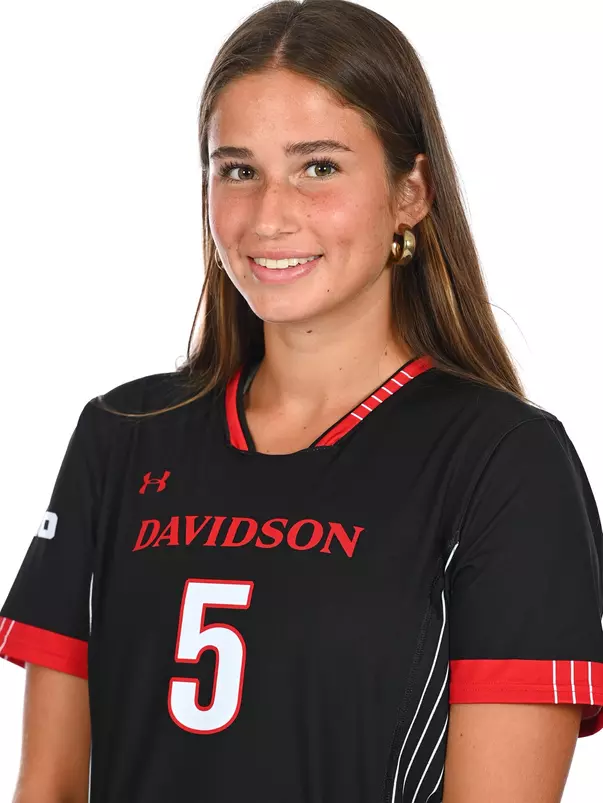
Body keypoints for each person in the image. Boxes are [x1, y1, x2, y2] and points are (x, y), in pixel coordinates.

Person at [1, 1, 602, 801]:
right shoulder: (120, 435)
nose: (269, 216)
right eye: (237, 169)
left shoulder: (503, 462)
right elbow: (46, 788)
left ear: (410, 191)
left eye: (318, 167)